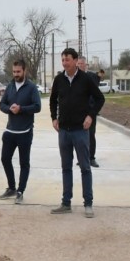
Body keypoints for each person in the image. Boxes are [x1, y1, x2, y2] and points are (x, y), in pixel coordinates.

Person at [50, 48, 105, 217]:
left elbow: (100, 98)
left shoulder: (86, 79)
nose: (65, 63)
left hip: (80, 131)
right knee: (66, 167)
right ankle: (66, 203)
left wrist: (90, 116)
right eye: (63, 60)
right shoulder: (59, 79)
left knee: (85, 168)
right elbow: (53, 100)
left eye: (67, 60)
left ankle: (88, 203)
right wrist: (54, 118)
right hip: (64, 132)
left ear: (75, 61)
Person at [0, 59, 42, 205]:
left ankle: (20, 191)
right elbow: (2, 104)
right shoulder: (10, 86)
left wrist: (21, 109)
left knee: (24, 163)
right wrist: (9, 109)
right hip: (10, 131)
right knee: (5, 159)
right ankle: (11, 187)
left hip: (25, 131)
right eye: (14, 72)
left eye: (18, 71)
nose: (16, 74)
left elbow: (37, 106)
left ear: (24, 71)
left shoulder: (31, 87)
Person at [77, 56, 101, 168]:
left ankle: (91, 158)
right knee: (78, 136)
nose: (80, 65)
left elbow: (97, 96)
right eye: (78, 63)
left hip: (90, 112)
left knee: (91, 135)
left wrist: (93, 112)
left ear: (86, 65)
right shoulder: (74, 77)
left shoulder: (92, 77)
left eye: (82, 63)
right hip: (78, 112)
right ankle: (81, 158)